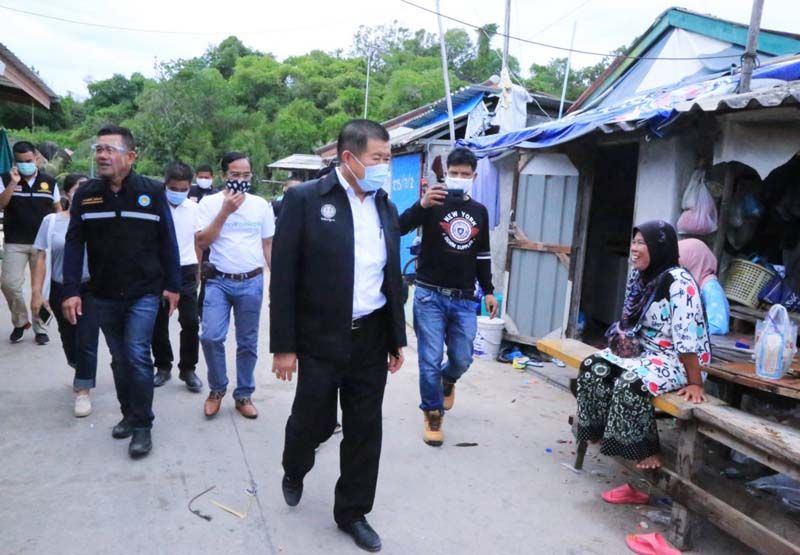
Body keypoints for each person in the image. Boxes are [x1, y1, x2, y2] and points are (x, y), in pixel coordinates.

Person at [271, 119, 406, 553]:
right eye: (378, 158)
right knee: (313, 420)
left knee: (365, 428)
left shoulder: (384, 205)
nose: (384, 167)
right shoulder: (306, 200)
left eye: (388, 159)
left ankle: (352, 512)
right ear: (349, 157)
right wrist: (284, 346)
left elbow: (392, 276)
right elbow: (284, 277)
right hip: (319, 336)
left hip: (370, 336)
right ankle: (295, 466)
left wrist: (396, 338)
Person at [63, 125, 180, 459]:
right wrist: (70, 290)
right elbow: (74, 244)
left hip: (144, 291)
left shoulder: (151, 191)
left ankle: (142, 425)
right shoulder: (86, 195)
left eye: (109, 149)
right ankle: (129, 413)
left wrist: (173, 285)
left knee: (138, 354)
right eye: (98, 149)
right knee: (119, 359)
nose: (102, 155)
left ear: (130, 156)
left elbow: (167, 241)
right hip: (102, 293)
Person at [575, 220, 710, 471]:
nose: (634, 248)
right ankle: (600, 430)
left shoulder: (680, 283)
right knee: (592, 366)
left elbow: (687, 341)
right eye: (634, 242)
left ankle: (645, 449)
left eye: (642, 243)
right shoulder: (640, 277)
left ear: (659, 248)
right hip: (645, 352)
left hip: (679, 360)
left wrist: (695, 382)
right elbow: (630, 321)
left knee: (630, 383)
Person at [399, 147, 498, 446]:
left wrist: (489, 291)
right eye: (454, 173)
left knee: (462, 357)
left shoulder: (479, 211)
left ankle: (449, 378)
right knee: (429, 359)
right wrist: (421, 204)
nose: (459, 178)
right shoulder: (432, 203)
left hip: (465, 298)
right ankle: (432, 412)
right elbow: (399, 227)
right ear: (446, 174)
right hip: (429, 295)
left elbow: (482, 255)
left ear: (474, 177)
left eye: (465, 174)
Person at [195, 152, 274, 419]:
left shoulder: (260, 205)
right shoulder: (209, 203)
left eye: (246, 175)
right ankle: (217, 389)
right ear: (223, 175)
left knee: (248, 342)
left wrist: (277, 281)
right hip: (218, 281)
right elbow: (202, 241)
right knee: (210, 336)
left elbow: (267, 244)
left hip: (251, 281)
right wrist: (225, 211)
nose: (241, 179)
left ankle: (243, 394)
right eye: (235, 175)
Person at [31, 174, 99, 417]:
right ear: (67, 193)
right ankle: (79, 366)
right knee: (69, 338)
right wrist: (37, 292)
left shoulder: (99, 221)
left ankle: (83, 391)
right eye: (79, 188)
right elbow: (41, 257)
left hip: (91, 288)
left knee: (87, 338)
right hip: (60, 288)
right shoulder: (51, 222)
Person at [0, 141, 61, 344]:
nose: (25, 164)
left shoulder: (49, 182)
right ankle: (20, 322)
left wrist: (59, 235)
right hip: (15, 242)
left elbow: (58, 209)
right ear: (15, 161)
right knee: (9, 284)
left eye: (28, 160)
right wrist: (12, 183)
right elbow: (1, 204)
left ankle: (40, 328)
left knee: (41, 289)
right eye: (21, 161)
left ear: (36, 157)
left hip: (42, 244)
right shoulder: (5, 179)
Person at [151, 162, 204, 392]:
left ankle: (188, 368)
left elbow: (198, 241)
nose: (178, 193)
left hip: (186, 270)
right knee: (158, 321)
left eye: (184, 189)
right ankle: (163, 366)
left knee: (191, 321)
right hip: (159, 270)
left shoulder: (194, 209)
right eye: (174, 189)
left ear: (190, 187)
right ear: (165, 184)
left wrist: (198, 270)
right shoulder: (154, 205)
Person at [679, 238, 730, 335]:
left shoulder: (710, 288)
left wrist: (686, 329)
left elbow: (719, 326)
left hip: (708, 342)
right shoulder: (686, 283)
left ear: (694, 261)